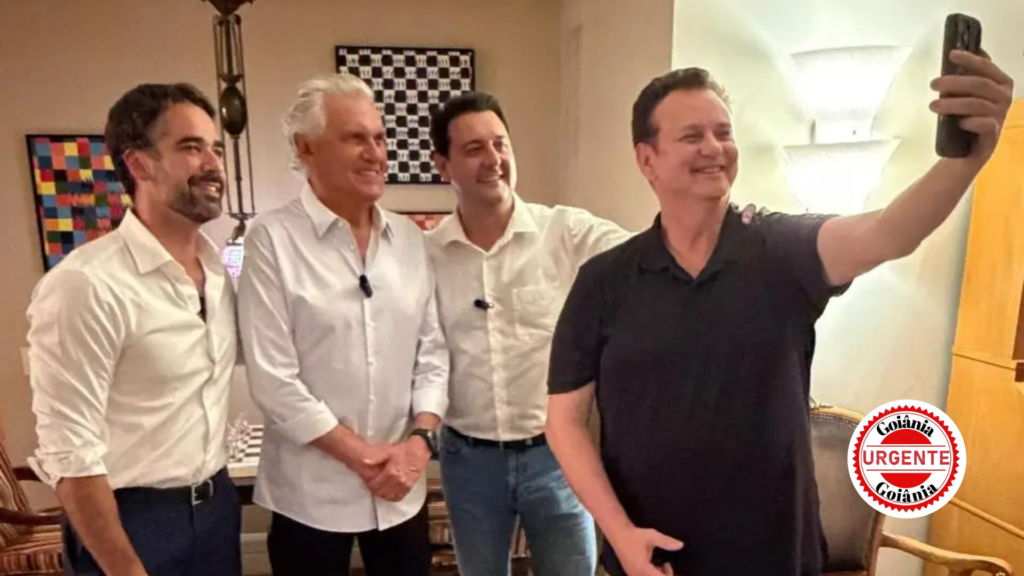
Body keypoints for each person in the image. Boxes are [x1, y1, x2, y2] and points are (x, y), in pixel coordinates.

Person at [545, 55, 1014, 576]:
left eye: (724, 132)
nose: (714, 147)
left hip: (775, 556)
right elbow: (565, 421)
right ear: (647, 159)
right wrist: (619, 533)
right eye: (692, 136)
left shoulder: (783, 250)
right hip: (654, 560)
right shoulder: (604, 281)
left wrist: (963, 161)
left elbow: (888, 233)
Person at [424, 91, 758, 576]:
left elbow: (655, 255)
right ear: (443, 165)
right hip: (469, 461)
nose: (493, 159)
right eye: (474, 149)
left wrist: (730, 228)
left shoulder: (566, 231)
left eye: (500, 144)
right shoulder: (427, 255)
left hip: (554, 458)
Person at [236, 73, 449, 576]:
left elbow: (433, 353)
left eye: (379, 138)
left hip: (402, 491)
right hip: (309, 497)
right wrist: (365, 457)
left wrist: (419, 443)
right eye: (355, 138)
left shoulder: (410, 239)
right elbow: (273, 379)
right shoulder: (271, 239)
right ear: (305, 147)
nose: (375, 154)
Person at [26, 83, 241, 576]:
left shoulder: (220, 276)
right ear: (139, 164)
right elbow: (70, 453)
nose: (213, 164)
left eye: (215, 148)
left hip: (217, 509)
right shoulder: (86, 285)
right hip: (132, 522)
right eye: (191, 147)